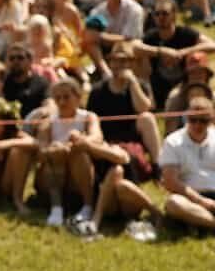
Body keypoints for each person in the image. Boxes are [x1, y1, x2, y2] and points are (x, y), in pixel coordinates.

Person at [36, 76, 107, 227]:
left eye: (66, 97)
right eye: (58, 98)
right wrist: (54, 149)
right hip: (53, 174)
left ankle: (88, 206)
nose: (62, 102)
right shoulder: (48, 121)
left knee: (79, 153)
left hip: (80, 173)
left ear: (78, 97)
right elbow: (40, 150)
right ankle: (56, 208)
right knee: (54, 154)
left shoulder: (88, 117)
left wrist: (75, 143)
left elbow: (97, 137)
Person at [87, 42, 162, 178]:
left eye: (124, 61)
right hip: (107, 137)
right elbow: (90, 119)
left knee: (147, 118)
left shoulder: (140, 85)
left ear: (132, 64)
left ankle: (158, 167)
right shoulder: (97, 90)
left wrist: (133, 83)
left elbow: (144, 108)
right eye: (115, 60)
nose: (118, 65)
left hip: (133, 135)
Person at [160, 92, 215, 231]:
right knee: (173, 203)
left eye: (203, 120)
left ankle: (200, 223)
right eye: (193, 119)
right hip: (189, 197)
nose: (197, 125)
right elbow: (170, 182)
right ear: (186, 118)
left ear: (211, 120)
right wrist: (201, 201)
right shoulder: (173, 142)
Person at [3, 43, 52, 117]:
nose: (15, 61)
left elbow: (49, 104)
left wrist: (44, 111)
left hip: (33, 125)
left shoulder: (41, 83)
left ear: (30, 61)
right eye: (11, 58)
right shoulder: (2, 82)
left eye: (20, 58)